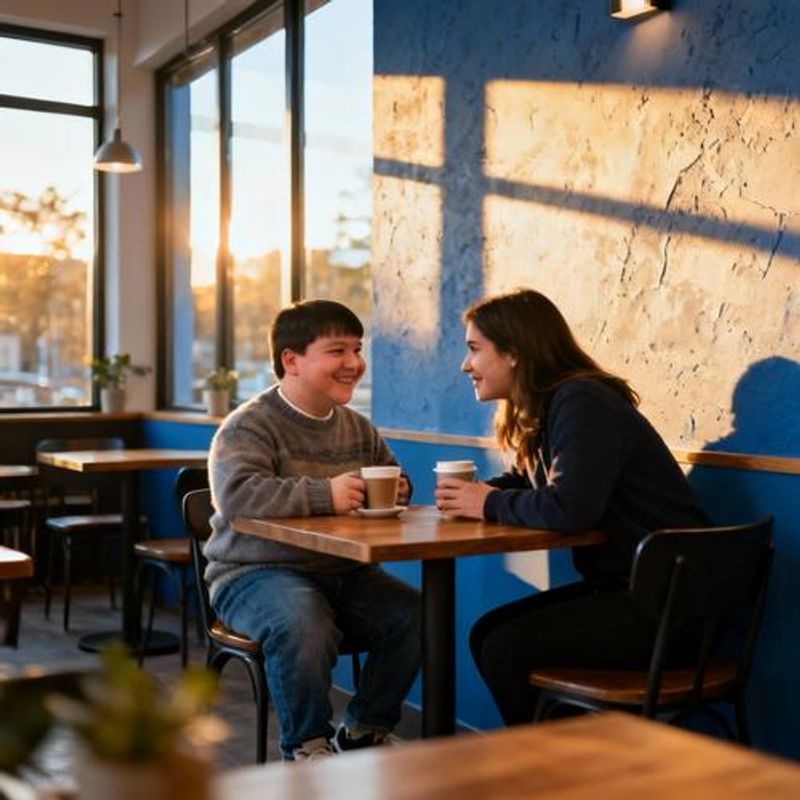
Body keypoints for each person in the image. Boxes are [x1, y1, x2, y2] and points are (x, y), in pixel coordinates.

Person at [434, 288, 710, 725]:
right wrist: (482, 492)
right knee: (487, 634)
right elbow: (538, 482)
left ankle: (558, 773)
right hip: (639, 593)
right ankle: (569, 761)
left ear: (514, 353)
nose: (466, 365)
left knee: (503, 647)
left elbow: (570, 508)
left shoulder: (583, 401)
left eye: (474, 349)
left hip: (670, 612)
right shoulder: (557, 406)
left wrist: (488, 502)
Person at [205, 299, 420, 760]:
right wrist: (326, 494)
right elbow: (238, 496)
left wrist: (400, 489)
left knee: (417, 616)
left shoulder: (358, 428)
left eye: (357, 350)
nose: (354, 363)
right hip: (251, 575)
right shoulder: (248, 425)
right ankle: (307, 747)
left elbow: (390, 475)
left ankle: (363, 729)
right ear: (291, 359)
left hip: (344, 573)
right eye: (337, 350)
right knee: (302, 622)